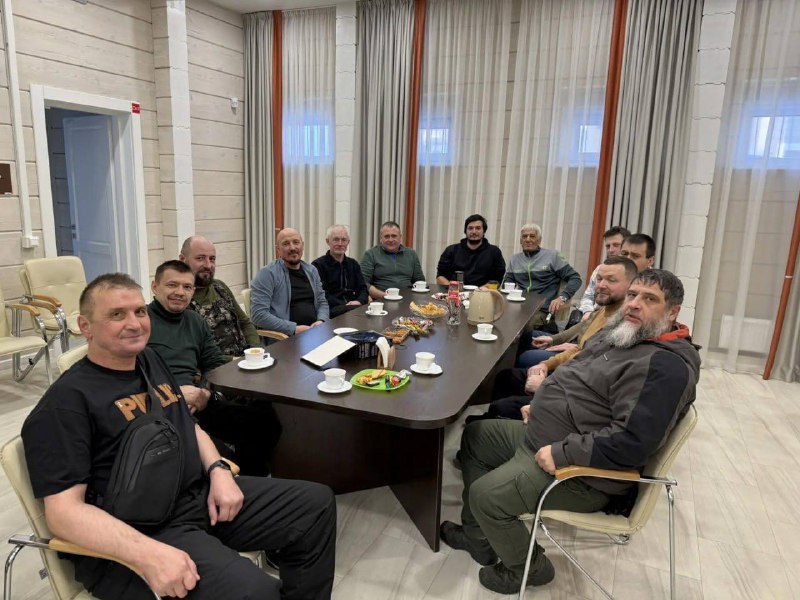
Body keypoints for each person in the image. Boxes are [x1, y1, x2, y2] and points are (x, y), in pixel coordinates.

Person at [21, 273, 336, 600]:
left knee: (315, 505)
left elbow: (187, 424)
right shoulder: (64, 405)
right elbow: (63, 514)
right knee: (255, 591)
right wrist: (147, 553)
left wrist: (218, 470)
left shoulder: (148, 360)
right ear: (85, 327)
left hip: (196, 498)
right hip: (140, 532)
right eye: (116, 314)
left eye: (139, 311)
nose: (134, 323)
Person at [441, 269, 700, 595]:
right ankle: (478, 537)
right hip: (545, 437)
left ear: (672, 312)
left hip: (581, 472)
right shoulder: (625, 334)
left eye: (650, 299)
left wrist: (562, 452)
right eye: (633, 294)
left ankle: (529, 568)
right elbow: (578, 380)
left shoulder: (664, 367)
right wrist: (540, 404)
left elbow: (632, 442)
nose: (634, 304)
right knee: (476, 437)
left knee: (486, 497)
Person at [148, 260, 280, 477]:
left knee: (265, 421)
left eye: (187, 287)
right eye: (172, 285)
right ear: (155, 287)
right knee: (223, 455)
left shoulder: (195, 321)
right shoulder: (142, 324)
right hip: (163, 410)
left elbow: (214, 363)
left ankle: (253, 483)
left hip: (198, 402)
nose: (180, 292)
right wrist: (175, 396)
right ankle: (233, 481)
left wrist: (205, 392)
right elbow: (134, 378)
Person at [479, 256, 638, 422]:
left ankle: (497, 424)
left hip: (573, 393)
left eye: (611, 280)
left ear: (631, 285)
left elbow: (589, 374)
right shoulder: (602, 311)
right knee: (505, 377)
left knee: (503, 406)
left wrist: (548, 385)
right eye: (599, 279)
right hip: (566, 375)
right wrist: (545, 365)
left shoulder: (622, 327)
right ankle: (490, 419)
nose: (601, 285)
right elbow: (580, 348)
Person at [179, 235, 261, 359]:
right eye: (200, 258)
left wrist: (255, 351)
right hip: (217, 367)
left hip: (247, 360)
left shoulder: (219, 287)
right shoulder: (179, 299)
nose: (208, 265)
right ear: (182, 260)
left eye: (212, 259)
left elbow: (245, 322)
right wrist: (236, 361)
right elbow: (192, 352)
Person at [250, 228, 329, 336]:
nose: (292, 248)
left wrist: (321, 321)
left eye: (296, 242)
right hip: (286, 338)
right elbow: (258, 315)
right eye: (286, 244)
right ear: (278, 249)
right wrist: (294, 329)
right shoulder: (267, 274)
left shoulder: (312, 270)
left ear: (302, 245)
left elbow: (322, 302)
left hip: (315, 332)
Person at [505, 223, 582, 329]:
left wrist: (562, 298)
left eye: (532, 236)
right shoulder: (515, 259)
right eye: (524, 236)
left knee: (521, 326)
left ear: (539, 240)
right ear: (520, 241)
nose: (528, 239)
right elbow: (507, 285)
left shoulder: (553, 256)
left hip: (543, 311)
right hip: (519, 308)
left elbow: (575, 278)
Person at [312, 225, 369, 318]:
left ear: (348, 242)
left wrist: (359, 301)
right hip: (331, 311)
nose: (340, 243)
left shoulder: (353, 264)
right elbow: (320, 294)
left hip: (355, 308)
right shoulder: (318, 265)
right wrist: (345, 305)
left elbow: (363, 288)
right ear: (327, 241)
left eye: (344, 240)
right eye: (336, 239)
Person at [435, 214, 506, 286]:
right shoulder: (451, 250)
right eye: (470, 228)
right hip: (454, 291)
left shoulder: (494, 252)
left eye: (478, 228)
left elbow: (497, 280)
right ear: (465, 231)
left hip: (484, 292)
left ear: (484, 231)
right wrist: (454, 289)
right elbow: (440, 276)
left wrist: (480, 291)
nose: (474, 232)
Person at [360, 221, 425, 299]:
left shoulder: (411, 254)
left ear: (400, 237)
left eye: (394, 236)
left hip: (408, 300)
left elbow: (420, 281)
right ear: (381, 238)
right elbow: (363, 283)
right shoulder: (371, 254)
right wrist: (385, 296)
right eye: (386, 236)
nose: (390, 240)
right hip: (381, 300)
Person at [577, 226, 630, 318]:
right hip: (593, 317)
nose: (611, 250)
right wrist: (587, 312)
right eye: (608, 246)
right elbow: (588, 297)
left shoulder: (637, 272)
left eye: (616, 245)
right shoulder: (600, 269)